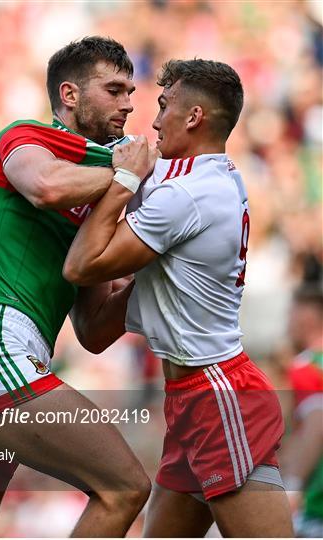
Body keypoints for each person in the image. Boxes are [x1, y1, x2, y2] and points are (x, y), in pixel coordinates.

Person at [0, 37, 152, 538]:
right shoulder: (27, 136)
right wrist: (127, 176)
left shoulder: (102, 187)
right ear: (69, 94)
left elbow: (90, 329)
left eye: (131, 91)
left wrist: (144, 281)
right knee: (125, 488)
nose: (129, 103)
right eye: (113, 89)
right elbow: (44, 186)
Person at [63, 58, 294, 537]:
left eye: (164, 106)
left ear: (193, 118)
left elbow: (80, 268)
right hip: (190, 397)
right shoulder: (204, 181)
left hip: (219, 395)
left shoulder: (186, 196)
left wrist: (113, 187)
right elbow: (93, 332)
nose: (151, 119)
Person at [281, 287, 323, 538]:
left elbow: (316, 426)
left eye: (290, 314)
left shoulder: (306, 368)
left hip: (316, 506)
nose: (287, 323)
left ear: (306, 317)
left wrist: (292, 489)